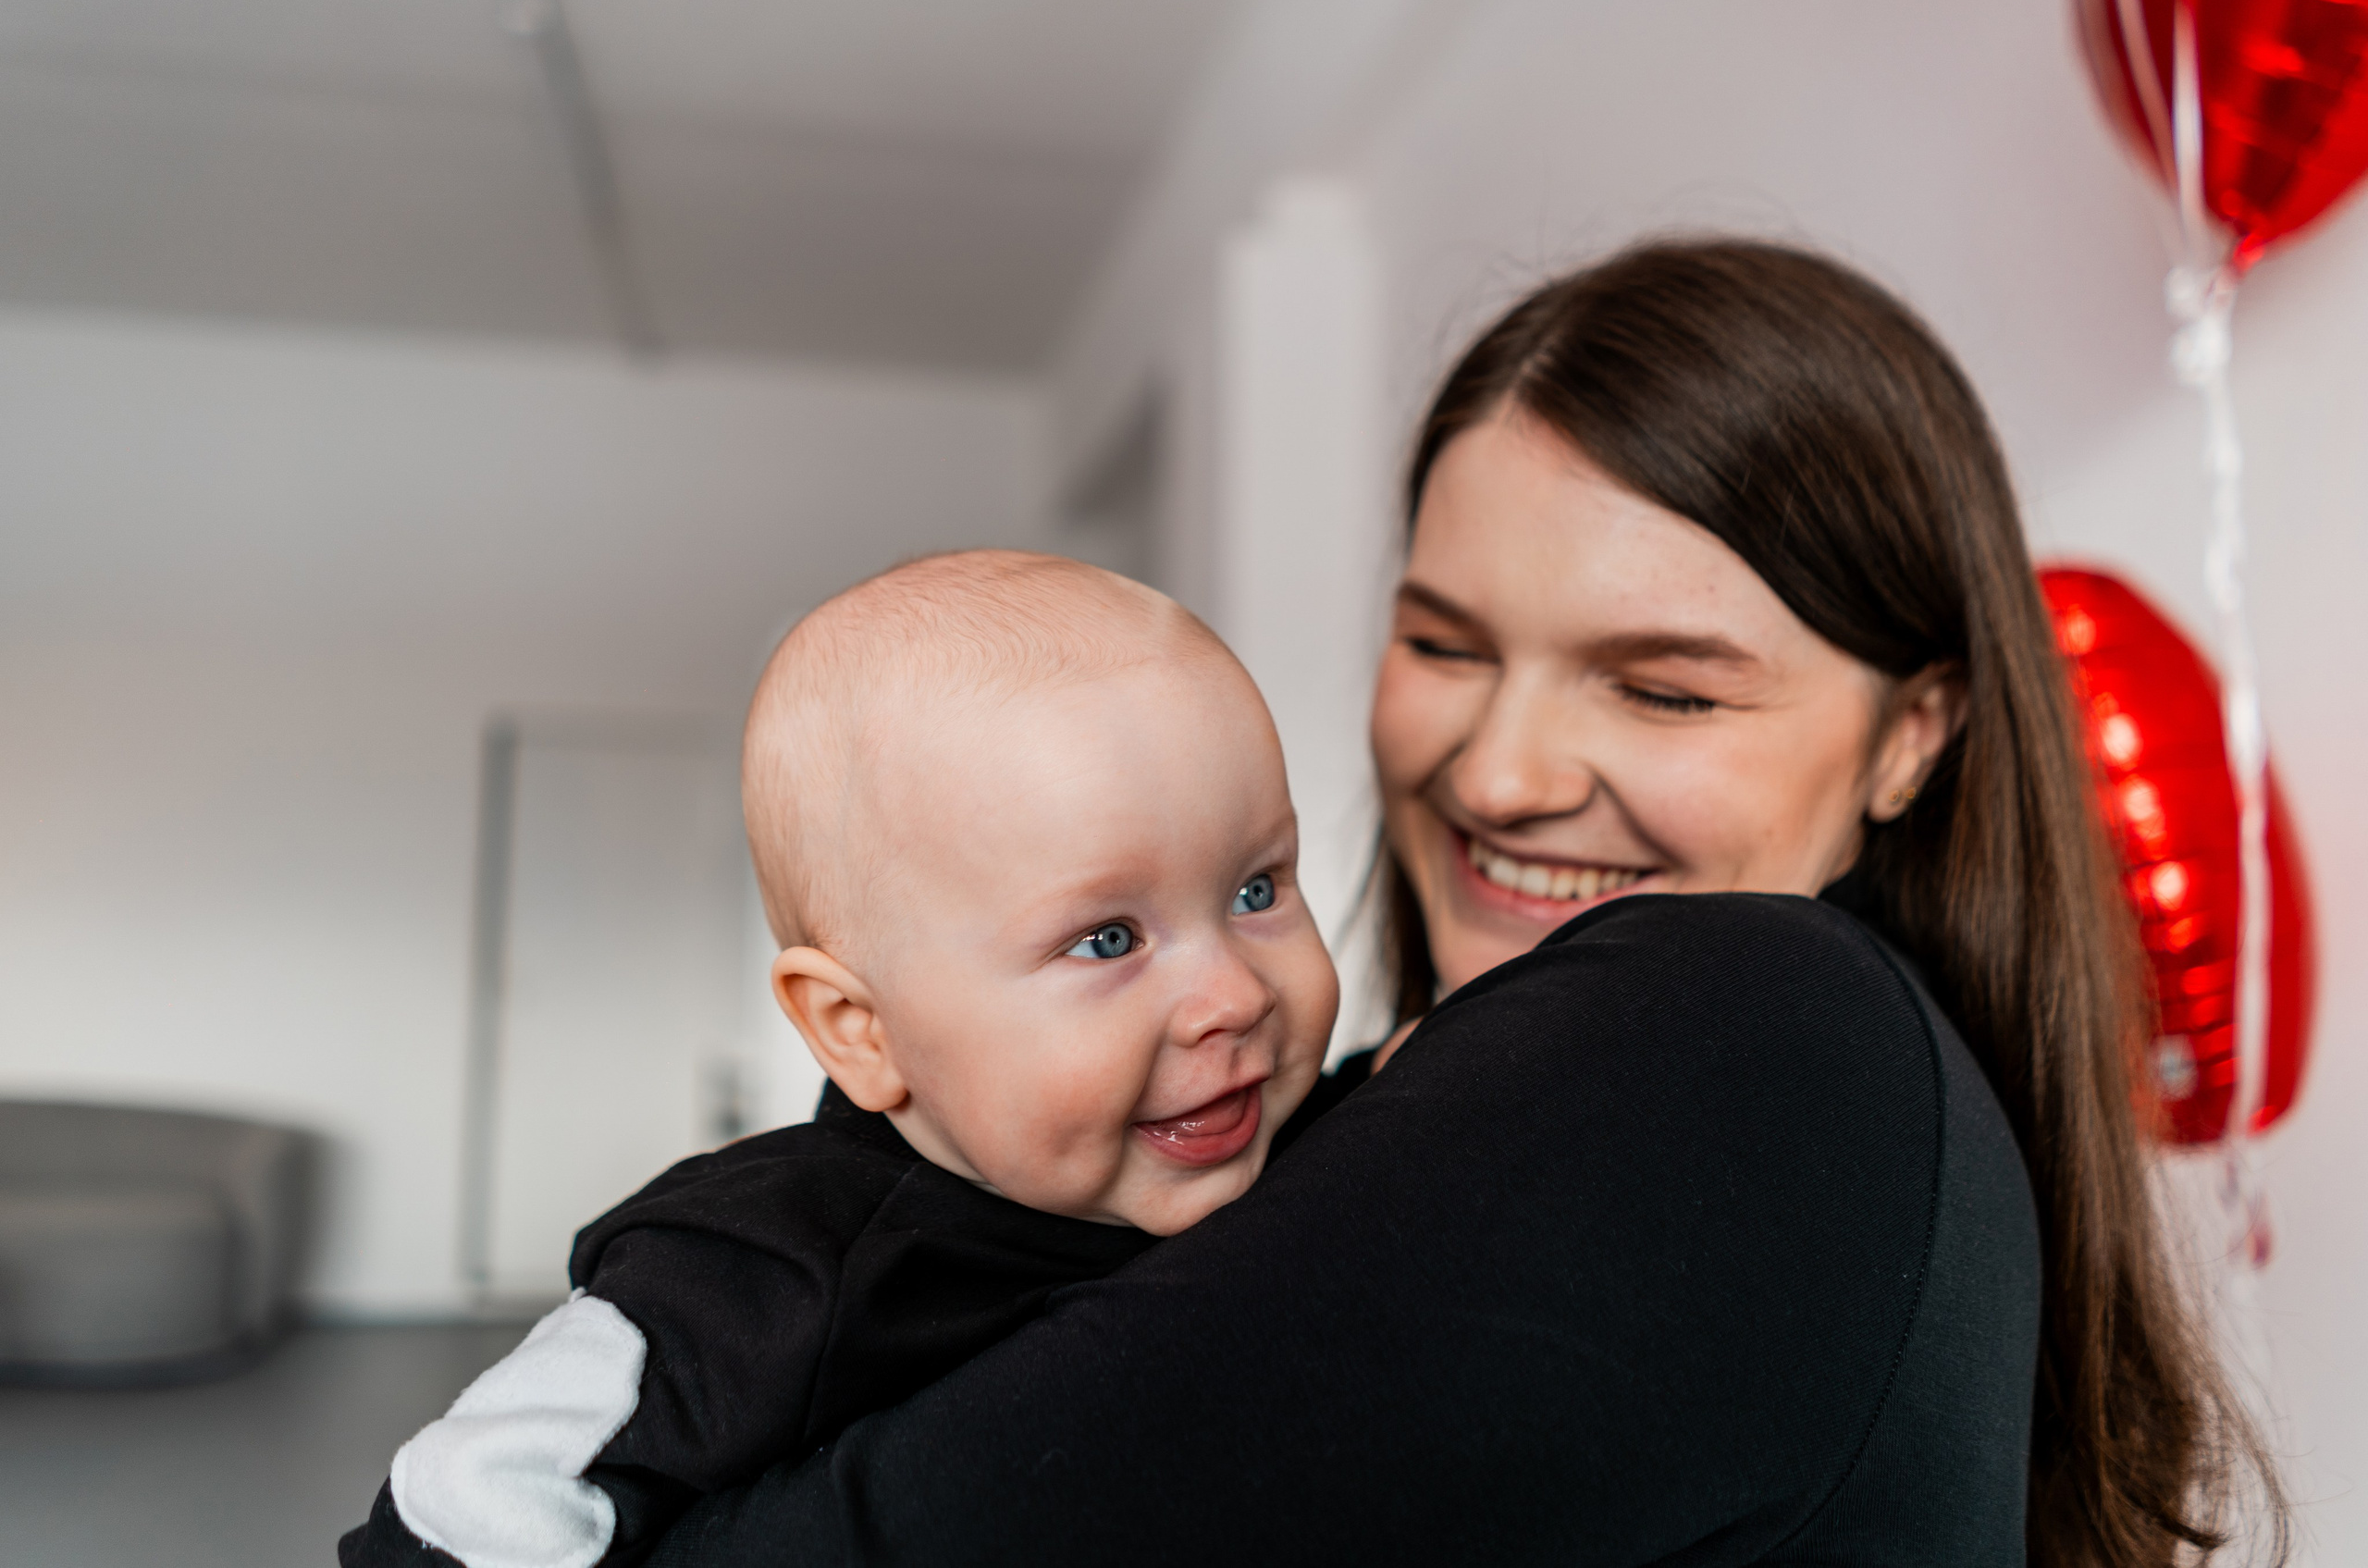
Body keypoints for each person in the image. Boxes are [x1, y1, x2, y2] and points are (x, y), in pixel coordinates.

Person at [648, 241, 2284, 1568]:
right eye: (1443, 645)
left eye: (1663, 690)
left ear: (1907, 735)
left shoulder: (1748, 1034)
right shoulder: (1342, 1108)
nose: (1499, 773)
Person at [339, 552, 1339, 1568]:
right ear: (861, 1029)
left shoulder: (1294, 1135)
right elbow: (460, 1508)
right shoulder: (754, 1274)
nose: (1236, 998)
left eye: (1256, 890)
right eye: (1107, 940)